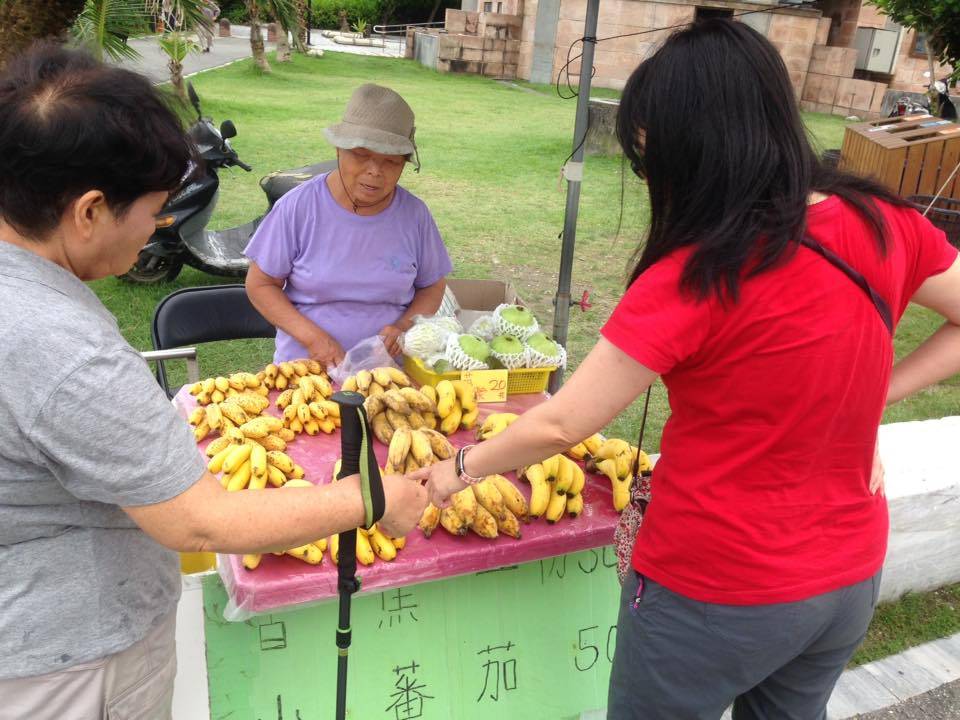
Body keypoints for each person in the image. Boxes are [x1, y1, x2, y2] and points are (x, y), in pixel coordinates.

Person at [411, 20, 960, 720]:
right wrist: (871, 397)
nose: (650, 181)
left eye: (650, 161)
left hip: (714, 590)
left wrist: (456, 470)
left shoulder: (697, 275)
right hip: (845, 581)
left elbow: (560, 422)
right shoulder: (880, 220)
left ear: (694, 150)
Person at [0, 45, 427, 720]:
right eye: (153, 212)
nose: (156, 230)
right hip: (71, 664)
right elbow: (200, 519)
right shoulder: (61, 350)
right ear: (88, 212)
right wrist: (372, 498)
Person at [244, 83, 452, 368]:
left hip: (388, 373)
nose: (374, 172)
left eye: (390, 162)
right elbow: (260, 284)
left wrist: (403, 327)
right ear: (339, 149)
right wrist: (314, 339)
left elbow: (432, 286)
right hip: (307, 368)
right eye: (362, 155)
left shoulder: (415, 215)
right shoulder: (298, 207)